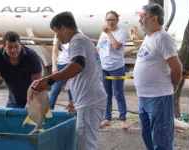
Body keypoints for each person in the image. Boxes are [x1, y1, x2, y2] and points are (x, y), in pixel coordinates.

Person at [33, 11, 107, 150]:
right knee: (84, 142)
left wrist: (48, 80)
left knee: (85, 146)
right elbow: (91, 72)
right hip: (89, 99)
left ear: (63, 29)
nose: (57, 36)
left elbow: (77, 66)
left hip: (89, 101)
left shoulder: (77, 41)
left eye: (56, 32)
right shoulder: (84, 40)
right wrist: (78, 97)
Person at [134, 3, 182, 150]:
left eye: (143, 16)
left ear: (154, 18)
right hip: (144, 98)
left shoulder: (163, 37)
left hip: (159, 98)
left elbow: (177, 67)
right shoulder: (149, 38)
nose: (140, 20)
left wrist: (174, 85)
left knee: (162, 141)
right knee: (148, 136)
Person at [0, 31, 42, 111]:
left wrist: (30, 102)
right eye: (10, 47)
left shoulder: (31, 56)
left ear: (20, 45)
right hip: (13, 101)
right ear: (3, 46)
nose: (14, 50)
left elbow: (37, 83)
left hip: (34, 99)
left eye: (16, 47)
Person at [97, 10, 128, 129]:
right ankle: (107, 118)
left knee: (118, 93)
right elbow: (99, 48)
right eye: (108, 20)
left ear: (117, 21)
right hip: (104, 68)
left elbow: (116, 46)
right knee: (106, 94)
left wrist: (109, 33)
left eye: (112, 20)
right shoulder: (103, 34)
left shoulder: (121, 32)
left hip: (117, 68)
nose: (110, 22)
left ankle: (123, 119)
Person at [49, 34, 73, 109]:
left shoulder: (76, 33)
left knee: (72, 92)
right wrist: (54, 66)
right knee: (54, 90)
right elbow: (55, 52)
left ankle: (72, 114)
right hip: (60, 65)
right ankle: (48, 112)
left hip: (72, 66)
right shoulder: (58, 33)